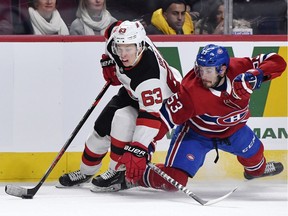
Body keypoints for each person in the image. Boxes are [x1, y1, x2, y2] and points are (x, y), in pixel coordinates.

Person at [118, 44, 286, 191]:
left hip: (235, 131)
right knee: (174, 182)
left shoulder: (239, 67)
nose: (202, 75)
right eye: (200, 69)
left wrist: (258, 73)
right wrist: (142, 149)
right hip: (196, 135)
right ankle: (132, 176)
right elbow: (162, 119)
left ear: (222, 69)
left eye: (208, 70)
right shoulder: (190, 91)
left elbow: (277, 60)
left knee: (257, 166)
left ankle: (254, 172)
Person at [57, 20, 182, 191]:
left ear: (140, 46)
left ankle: (117, 173)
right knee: (100, 132)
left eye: (128, 49)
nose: (123, 55)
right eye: (120, 49)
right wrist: (107, 60)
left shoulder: (150, 77)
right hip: (132, 91)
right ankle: (86, 172)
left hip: (163, 102)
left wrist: (138, 148)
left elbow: (150, 117)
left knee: (123, 120)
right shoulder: (116, 41)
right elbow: (112, 28)